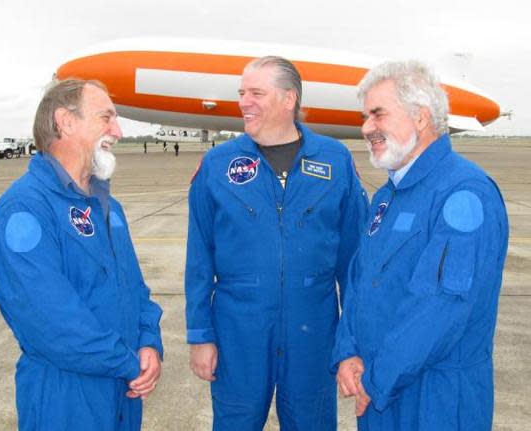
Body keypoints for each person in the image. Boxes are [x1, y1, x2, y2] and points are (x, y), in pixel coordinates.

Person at [185, 56, 368, 430]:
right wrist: (201, 335)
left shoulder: (335, 160)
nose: (244, 102)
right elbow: (199, 257)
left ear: (289, 99)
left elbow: (354, 261)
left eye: (256, 92)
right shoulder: (218, 164)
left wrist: (353, 339)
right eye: (241, 93)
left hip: (314, 334)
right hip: (239, 333)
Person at [333, 61, 509, 430]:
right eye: (365, 116)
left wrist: (376, 380)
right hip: (380, 391)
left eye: (378, 114)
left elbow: (439, 309)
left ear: (420, 117)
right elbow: (359, 279)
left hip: (436, 399)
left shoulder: (464, 194)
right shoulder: (386, 196)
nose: (366, 128)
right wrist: (347, 351)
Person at [0, 79, 164, 431]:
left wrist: (149, 344)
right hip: (66, 396)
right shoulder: (24, 210)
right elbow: (51, 323)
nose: (119, 130)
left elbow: (136, 291)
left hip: (123, 390)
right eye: (106, 118)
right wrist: (130, 363)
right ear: (66, 122)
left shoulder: (109, 208)